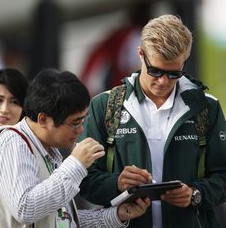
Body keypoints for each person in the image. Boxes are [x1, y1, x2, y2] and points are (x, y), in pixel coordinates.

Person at [78, 14, 226, 228]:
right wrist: (117, 183)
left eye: (174, 73)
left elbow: (222, 175)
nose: (164, 81)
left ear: (185, 60)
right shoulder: (104, 106)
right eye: (155, 71)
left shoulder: (207, 107)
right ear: (140, 54)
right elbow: (83, 178)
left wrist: (195, 194)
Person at [0, 68, 150, 228]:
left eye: (83, 120)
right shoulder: (12, 141)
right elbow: (25, 209)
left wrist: (116, 215)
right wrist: (76, 163)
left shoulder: (49, 149)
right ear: (43, 120)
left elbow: (61, 219)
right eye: (75, 123)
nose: (81, 130)